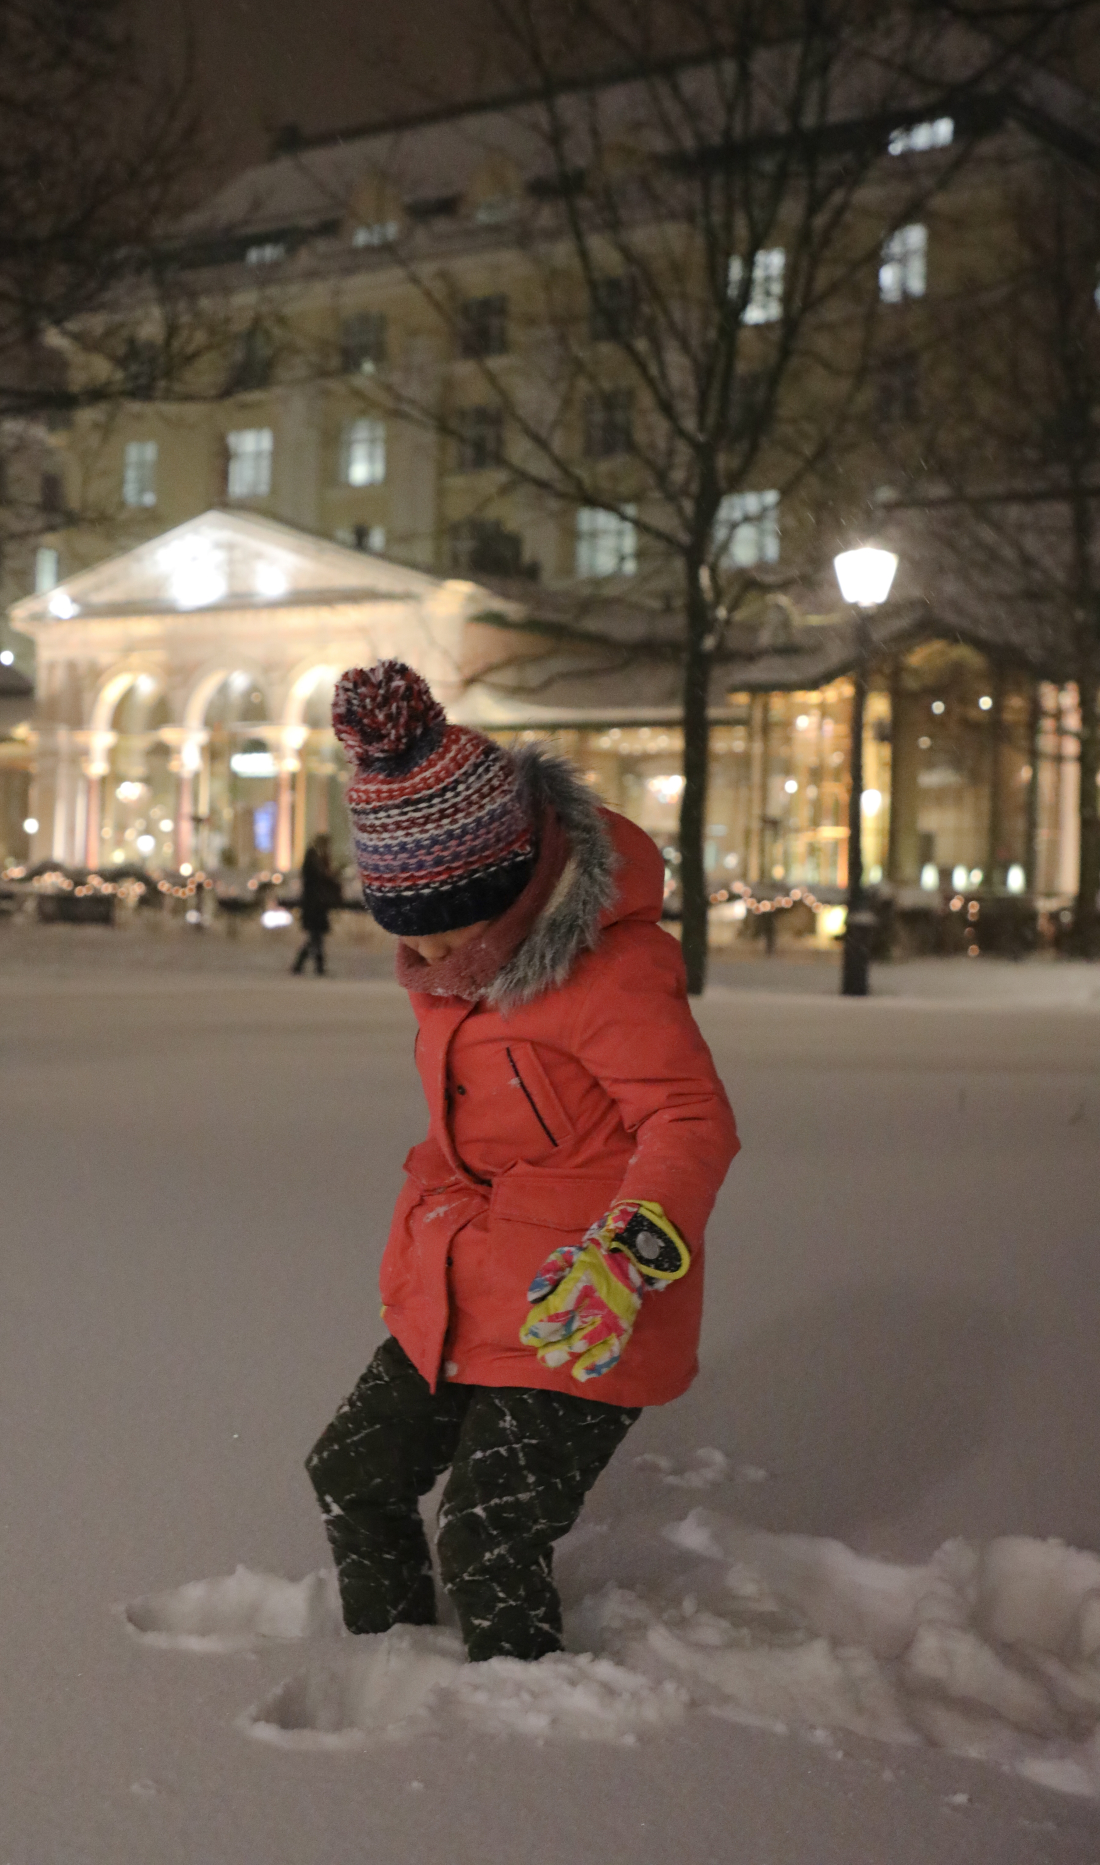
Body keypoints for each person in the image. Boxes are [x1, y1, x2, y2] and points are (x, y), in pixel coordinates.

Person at [306, 660, 739, 1663]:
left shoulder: (611, 970)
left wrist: (629, 1251)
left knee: (488, 1534)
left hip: (584, 1299)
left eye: (448, 918)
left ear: (506, 873)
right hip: (465, 1278)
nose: (433, 950)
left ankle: (515, 1736)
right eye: (410, 926)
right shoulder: (453, 968)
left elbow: (689, 1117)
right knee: (352, 1470)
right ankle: (390, 1664)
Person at [291, 831, 342, 976]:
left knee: (315, 937)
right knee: (315, 937)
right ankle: (313, 966)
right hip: (314, 904)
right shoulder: (313, 858)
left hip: (317, 904)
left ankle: (302, 965)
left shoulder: (317, 858)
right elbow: (320, 878)